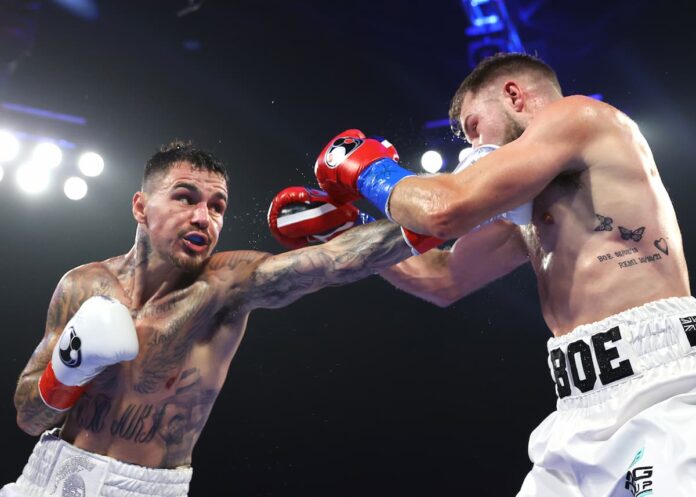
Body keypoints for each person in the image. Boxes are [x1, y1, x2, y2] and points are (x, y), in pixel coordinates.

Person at [310, 53, 695, 495]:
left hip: (658, 389)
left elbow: (445, 209)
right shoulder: (529, 202)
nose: (472, 148)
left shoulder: (580, 115)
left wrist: (368, 170)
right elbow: (443, 278)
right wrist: (344, 230)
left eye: (474, 126)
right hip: (577, 409)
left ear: (513, 95)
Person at [4, 141, 412, 497]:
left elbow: (332, 262)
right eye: (186, 198)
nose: (205, 217)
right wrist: (66, 373)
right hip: (46, 479)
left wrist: (448, 207)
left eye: (217, 207)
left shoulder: (225, 286)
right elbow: (28, 418)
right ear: (141, 207)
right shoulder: (82, 284)